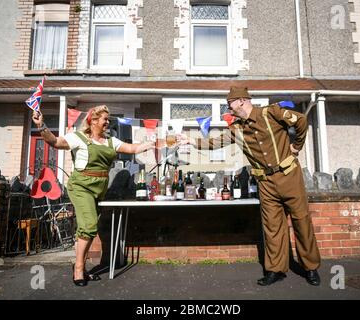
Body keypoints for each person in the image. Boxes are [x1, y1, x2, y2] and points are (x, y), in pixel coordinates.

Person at [179, 87, 321, 286]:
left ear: (241, 101)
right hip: (265, 183)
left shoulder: (271, 112)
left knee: (301, 222)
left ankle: (311, 268)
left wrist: (296, 146)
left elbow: (301, 121)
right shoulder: (237, 128)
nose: (228, 107)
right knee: (272, 228)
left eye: (230, 103)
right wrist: (191, 140)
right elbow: (215, 142)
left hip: (289, 177)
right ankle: (276, 270)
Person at [32, 105, 154, 286]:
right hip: (81, 186)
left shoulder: (111, 141)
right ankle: (79, 269)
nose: (108, 122)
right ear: (93, 121)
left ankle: (82, 267)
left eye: (108, 119)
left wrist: (152, 143)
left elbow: (133, 149)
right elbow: (55, 142)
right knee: (89, 226)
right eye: (105, 119)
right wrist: (41, 126)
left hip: (99, 188)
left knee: (86, 229)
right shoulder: (78, 138)